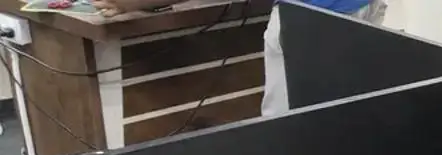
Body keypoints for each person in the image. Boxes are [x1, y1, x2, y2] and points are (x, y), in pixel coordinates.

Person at [91, 0, 387, 116]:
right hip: (359, 12)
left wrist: (129, 2)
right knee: (350, 128)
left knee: (287, 138)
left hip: (314, 22)